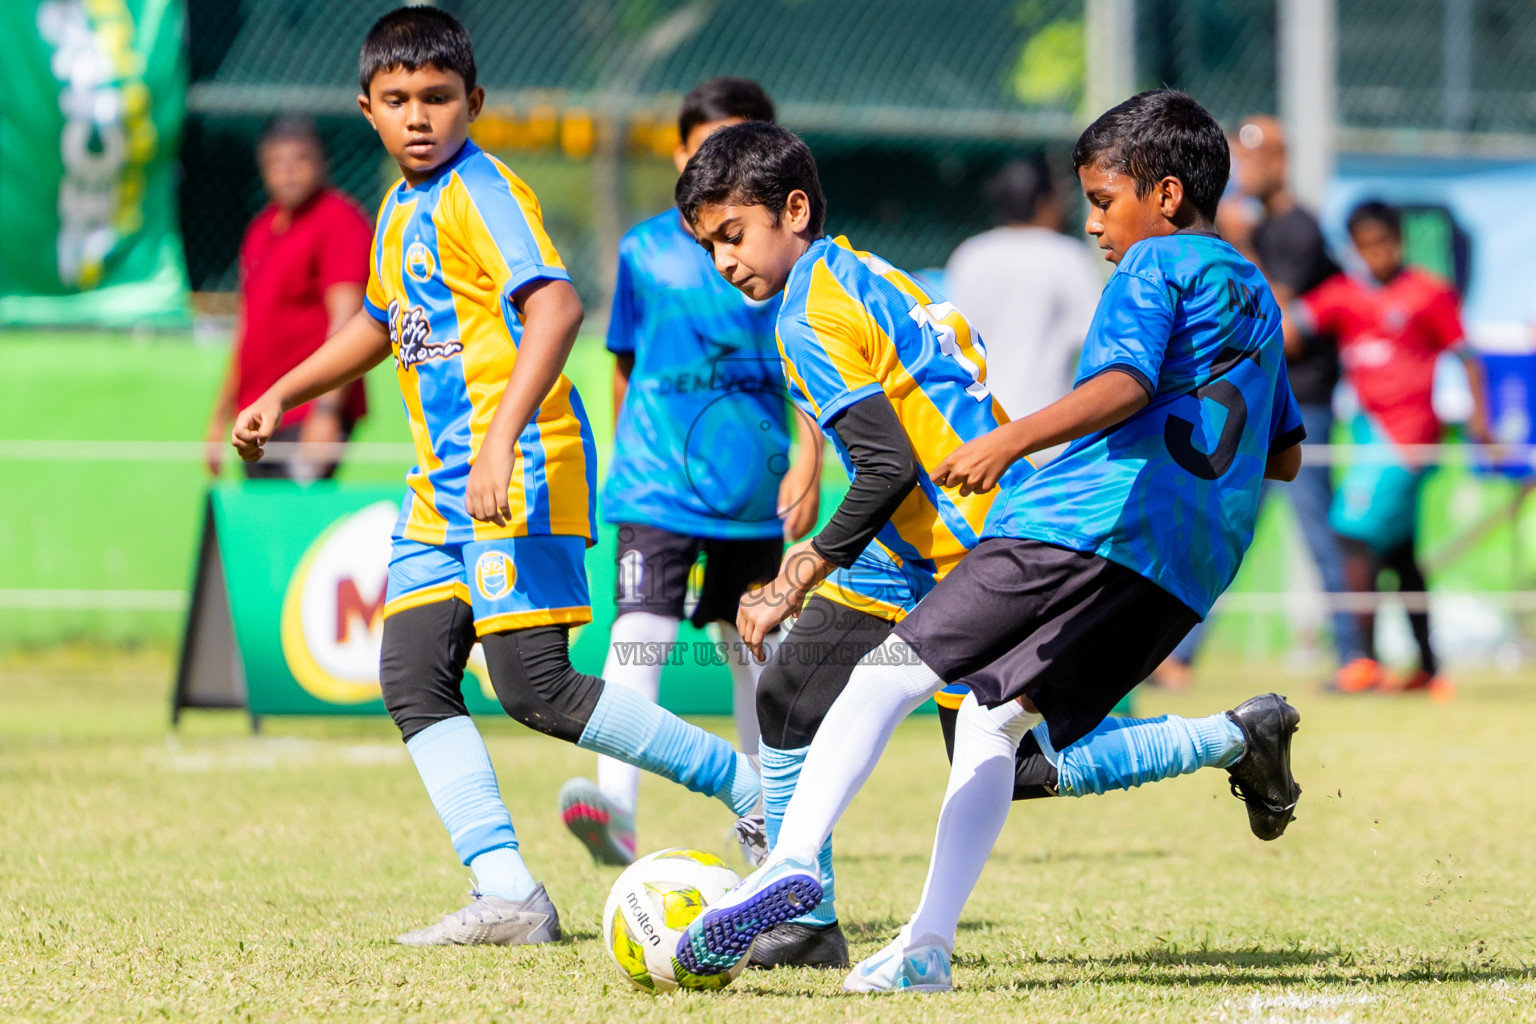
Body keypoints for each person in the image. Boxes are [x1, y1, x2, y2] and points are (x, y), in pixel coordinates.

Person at [674, 91, 1307, 992]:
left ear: (1164, 197)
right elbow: (1282, 454)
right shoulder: (1254, 293)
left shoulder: (1151, 267)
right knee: (992, 729)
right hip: (1184, 564)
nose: (1089, 223)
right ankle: (924, 946)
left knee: (888, 678)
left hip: (1069, 523)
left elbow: (1124, 381)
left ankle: (792, 866)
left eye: (1102, 200)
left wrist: (1013, 440)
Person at [229, 7, 760, 949]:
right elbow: (378, 325)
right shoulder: (398, 209)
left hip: (516, 469)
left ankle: (752, 789)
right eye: (397, 101)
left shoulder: (484, 190)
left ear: (473, 103)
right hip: (439, 487)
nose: (419, 117)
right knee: (413, 676)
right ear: (368, 109)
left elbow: (557, 307)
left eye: (438, 98)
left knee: (535, 688)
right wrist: (284, 391)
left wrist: (496, 442)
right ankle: (508, 892)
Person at [557, 78, 822, 869]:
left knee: (754, 652)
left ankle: (766, 825)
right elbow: (624, 367)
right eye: (707, 145)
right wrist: (628, 459)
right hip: (655, 486)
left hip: (752, 492)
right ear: (679, 154)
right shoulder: (642, 251)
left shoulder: (790, 262)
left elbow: (814, 364)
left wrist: (808, 459)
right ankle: (616, 810)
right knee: (639, 634)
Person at [1156, 115, 1363, 691]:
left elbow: (1280, 321)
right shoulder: (1257, 226)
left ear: (1280, 161)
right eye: (1238, 158)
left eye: (1254, 158)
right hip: (1254, 400)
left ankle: (1353, 657)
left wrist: (1241, 241)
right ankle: (1178, 655)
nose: (1244, 170)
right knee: (1222, 527)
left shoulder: (1297, 228)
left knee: (1318, 533)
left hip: (1304, 406)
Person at [1298, 200, 1490, 697]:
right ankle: (1428, 668)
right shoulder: (1344, 295)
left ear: (1400, 242)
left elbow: (1466, 357)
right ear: (1355, 249)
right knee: (1401, 555)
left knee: (1351, 533)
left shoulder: (1428, 292)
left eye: (1385, 244)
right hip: (1366, 432)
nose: (1378, 255)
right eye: (1366, 247)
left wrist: (1480, 422)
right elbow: (1292, 328)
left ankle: (1362, 662)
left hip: (1407, 438)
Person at [205, 116, 372, 482]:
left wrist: (327, 412)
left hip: (306, 410)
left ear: (321, 163)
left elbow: (346, 321)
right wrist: (219, 417)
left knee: (299, 525)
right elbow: (247, 330)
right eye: (277, 164)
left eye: (300, 160)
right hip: (258, 411)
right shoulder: (262, 229)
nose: (289, 173)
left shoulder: (339, 220)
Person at [943, 157, 1101, 439]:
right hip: (1046, 432)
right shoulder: (1067, 256)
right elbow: (1095, 339)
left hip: (980, 429)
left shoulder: (970, 255)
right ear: (1043, 201)